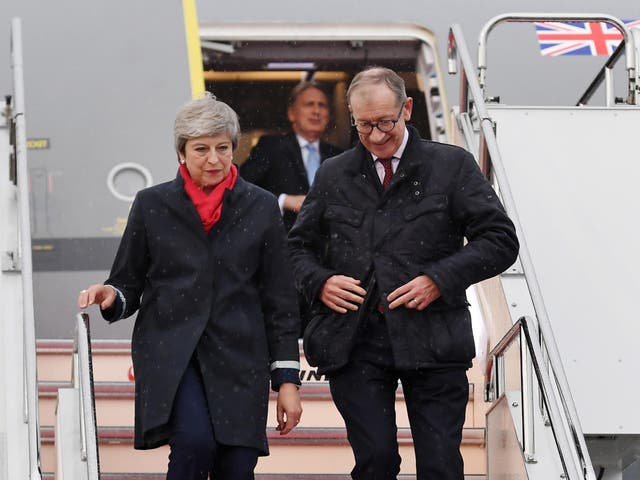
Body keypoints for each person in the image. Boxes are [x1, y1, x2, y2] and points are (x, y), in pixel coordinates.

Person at [288, 67, 519, 480]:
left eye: (385, 123)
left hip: (434, 339)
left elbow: (500, 240)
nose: (376, 136)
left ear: (407, 109)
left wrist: (440, 278)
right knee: (375, 463)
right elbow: (295, 250)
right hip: (355, 342)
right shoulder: (333, 174)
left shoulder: (451, 166)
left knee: (441, 466)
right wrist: (320, 282)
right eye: (364, 125)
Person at [77, 93, 302, 480]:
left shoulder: (261, 206)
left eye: (223, 148)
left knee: (237, 464)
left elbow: (280, 299)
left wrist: (287, 380)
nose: (213, 159)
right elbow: (127, 281)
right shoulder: (152, 204)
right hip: (172, 350)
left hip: (241, 356)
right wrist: (111, 296)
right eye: (201, 149)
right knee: (194, 444)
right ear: (181, 152)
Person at [240, 80, 343, 232]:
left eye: (322, 105)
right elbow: (242, 187)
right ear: (291, 113)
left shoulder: (338, 155)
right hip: (283, 242)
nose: (316, 111)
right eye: (309, 104)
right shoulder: (271, 147)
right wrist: (284, 200)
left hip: (329, 245)